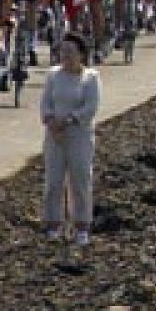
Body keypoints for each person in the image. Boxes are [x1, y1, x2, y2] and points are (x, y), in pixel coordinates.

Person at [38, 32, 101, 246]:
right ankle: (53, 224)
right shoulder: (53, 75)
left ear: (81, 54)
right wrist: (51, 122)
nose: (65, 56)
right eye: (62, 51)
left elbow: (90, 107)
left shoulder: (90, 78)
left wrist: (69, 121)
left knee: (80, 179)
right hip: (54, 136)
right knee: (53, 181)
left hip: (79, 135)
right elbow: (46, 103)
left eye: (70, 52)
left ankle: (82, 225)